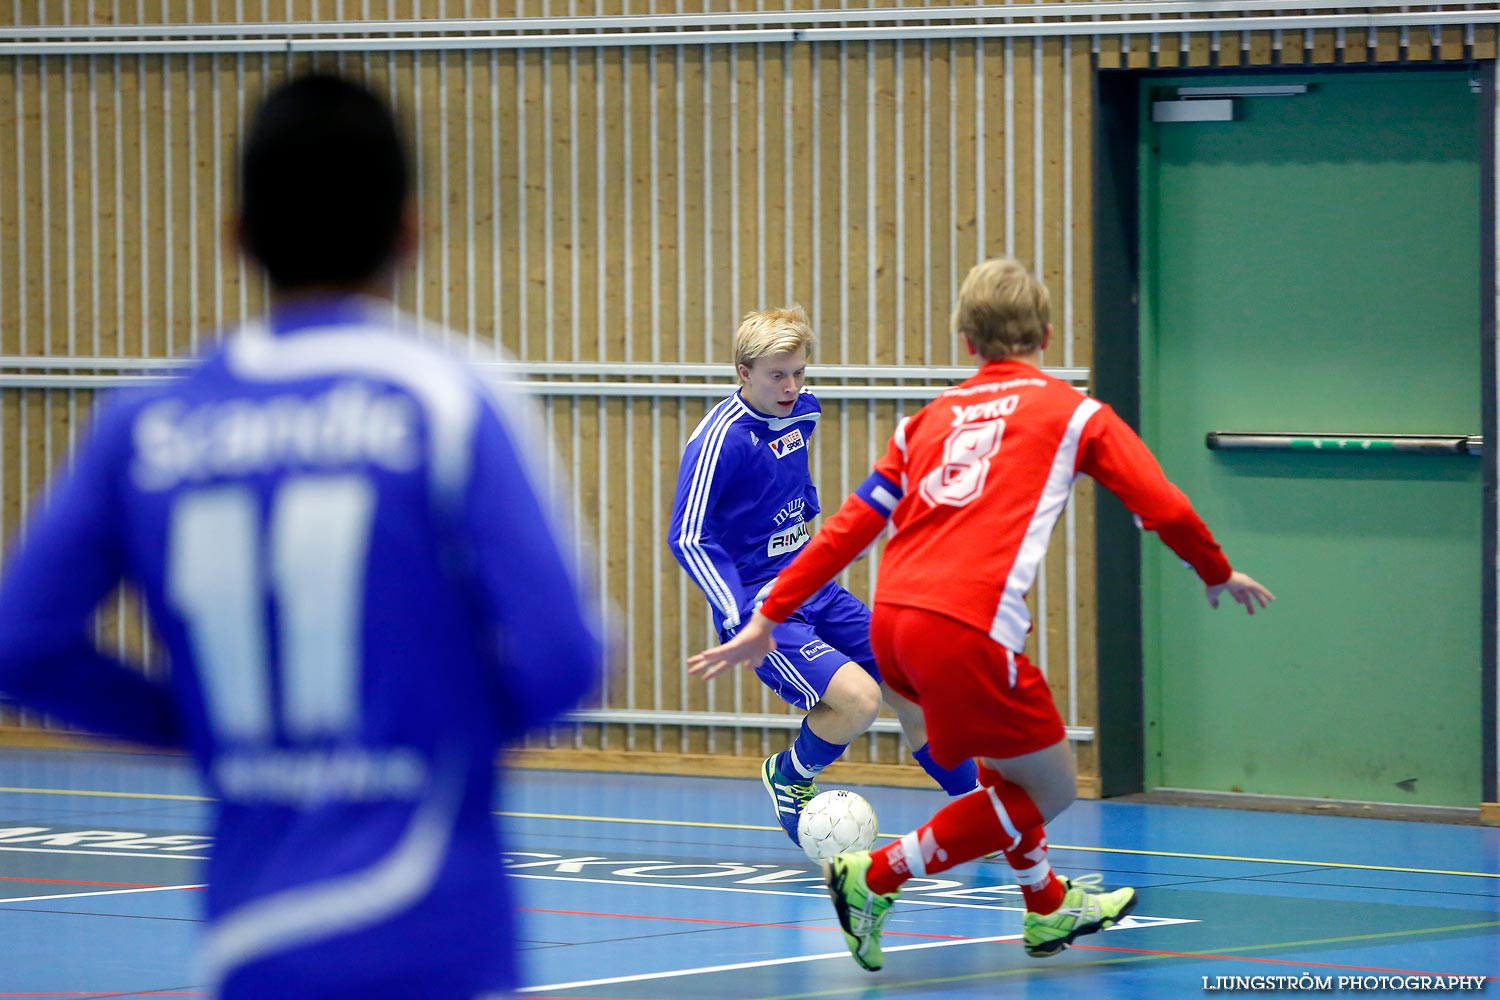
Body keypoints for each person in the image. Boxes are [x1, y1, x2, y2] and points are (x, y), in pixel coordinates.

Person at [0, 74, 604, 999]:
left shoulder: (151, 422)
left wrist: (200, 725)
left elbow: (21, 643)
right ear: (411, 231)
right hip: (435, 927)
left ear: (236, 234)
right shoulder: (444, 397)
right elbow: (567, 658)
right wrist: (426, 729)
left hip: (252, 935)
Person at [689, 258, 1273, 971]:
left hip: (894, 613)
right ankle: (870, 877)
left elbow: (848, 527)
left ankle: (1044, 903)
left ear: (966, 341)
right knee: (1046, 787)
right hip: (963, 624)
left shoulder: (928, 419)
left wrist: (771, 610)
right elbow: (1165, 507)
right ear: (1049, 335)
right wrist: (1215, 569)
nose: (791, 386)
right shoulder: (1074, 412)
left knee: (991, 768)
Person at [667, 306, 980, 845]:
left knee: (914, 688)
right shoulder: (720, 442)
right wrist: (741, 617)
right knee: (858, 701)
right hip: (764, 609)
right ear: (743, 373)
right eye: (776, 375)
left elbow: (791, 486)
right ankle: (788, 776)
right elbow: (689, 537)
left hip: (816, 588)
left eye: (799, 373)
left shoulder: (803, 411)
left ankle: (977, 814)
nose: (791, 387)